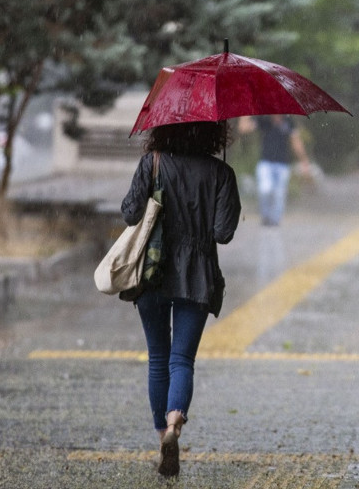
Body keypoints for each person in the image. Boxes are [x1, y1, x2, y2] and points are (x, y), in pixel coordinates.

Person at [121, 120, 241, 477]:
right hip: (197, 274)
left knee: (158, 357)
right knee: (182, 360)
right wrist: (220, 186)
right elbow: (223, 233)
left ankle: (162, 438)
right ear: (212, 134)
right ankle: (175, 422)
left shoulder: (152, 162)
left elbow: (130, 213)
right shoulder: (221, 172)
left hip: (152, 270)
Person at [255, 115, 310, 227]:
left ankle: (275, 220)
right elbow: (244, 128)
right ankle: (266, 215)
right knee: (265, 189)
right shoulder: (264, 120)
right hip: (265, 162)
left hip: (282, 163)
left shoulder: (288, 121)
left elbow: (296, 141)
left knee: (279, 194)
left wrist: (304, 161)